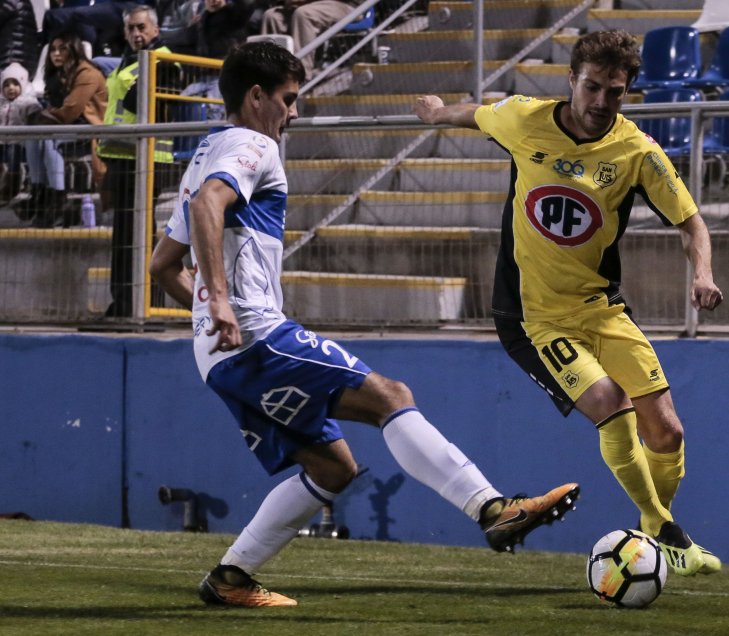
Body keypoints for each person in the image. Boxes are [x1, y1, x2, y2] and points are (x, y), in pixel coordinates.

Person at [148, 41, 580, 608]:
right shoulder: (254, 145)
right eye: (288, 99)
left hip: (219, 356)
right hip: (256, 335)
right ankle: (493, 509)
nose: (293, 113)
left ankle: (232, 577)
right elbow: (210, 206)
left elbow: (162, 265)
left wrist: (210, 314)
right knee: (389, 397)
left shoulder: (206, 150)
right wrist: (225, 306)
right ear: (256, 97)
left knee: (332, 467)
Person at [413, 29, 723, 577]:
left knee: (667, 431)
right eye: (592, 87)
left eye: (615, 91)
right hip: (534, 318)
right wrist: (437, 113)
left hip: (602, 309)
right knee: (611, 404)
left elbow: (691, 222)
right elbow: (473, 115)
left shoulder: (636, 151)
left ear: (627, 91)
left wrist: (703, 273)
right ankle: (665, 530)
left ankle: (654, 527)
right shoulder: (523, 118)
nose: (602, 101)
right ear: (571, 80)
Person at [98, 5, 176, 317]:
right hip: (122, 155)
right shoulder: (129, 61)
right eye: (131, 28)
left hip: (146, 159)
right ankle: (124, 303)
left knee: (138, 236)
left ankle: (141, 304)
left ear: (156, 30)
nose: (136, 33)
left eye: (141, 27)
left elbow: (137, 101)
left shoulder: (164, 60)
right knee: (124, 236)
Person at [20, 32, 107, 227]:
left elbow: (69, 112)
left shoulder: (87, 73)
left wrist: (43, 116)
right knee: (32, 136)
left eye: (62, 49)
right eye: (52, 50)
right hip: (67, 128)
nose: (56, 54)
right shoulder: (57, 75)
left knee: (48, 138)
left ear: (73, 51)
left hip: (90, 128)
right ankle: (39, 194)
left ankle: (58, 199)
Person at [260, 0, 360, 79]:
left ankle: (301, 76)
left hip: (346, 5)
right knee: (271, 16)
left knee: (303, 14)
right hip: (311, 4)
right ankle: (272, 72)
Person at [0, 62, 41, 209]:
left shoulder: (27, 102)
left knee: (13, 159)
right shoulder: (1, 103)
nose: (11, 88)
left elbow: (34, 118)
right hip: (2, 140)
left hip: (18, 141)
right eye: (6, 85)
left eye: (15, 84)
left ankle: (12, 186)